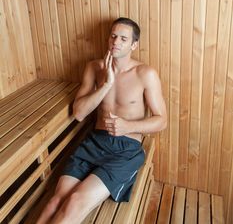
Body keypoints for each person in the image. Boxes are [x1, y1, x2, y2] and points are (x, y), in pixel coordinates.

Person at [36, 17, 167, 224]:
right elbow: (79, 113)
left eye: (123, 39)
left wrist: (128, 126)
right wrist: (106, 84)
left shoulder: (145, 74)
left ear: (134, 44)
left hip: (125, 149)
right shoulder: (94, 68)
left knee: (75, 202)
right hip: (95, 142)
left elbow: (162, 121)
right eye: (113, 36)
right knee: (55, 202)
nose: (116, 42)